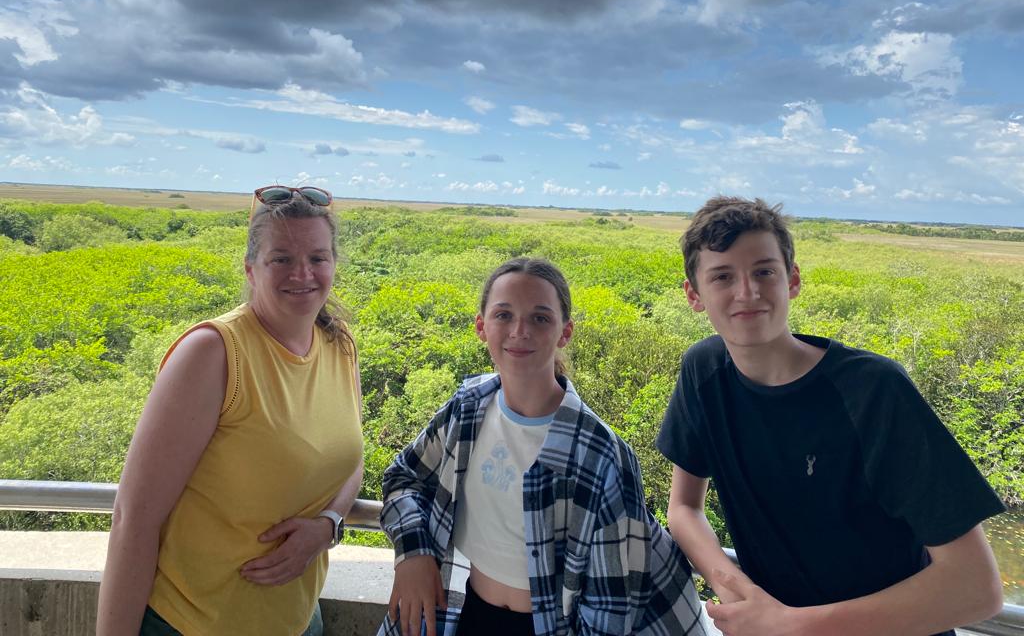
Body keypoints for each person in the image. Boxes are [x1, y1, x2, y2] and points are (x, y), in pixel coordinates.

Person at [656, 195, 1006, 636]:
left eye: (764, 271)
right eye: (722, 276)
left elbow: (975, 587)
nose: (747, 292)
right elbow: (684, 507)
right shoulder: (704, 372)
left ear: (792, 280)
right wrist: (735, 587)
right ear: (694, 295)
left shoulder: (873, 391)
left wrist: (791, 625)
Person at [377, 257, 711, 636]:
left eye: (540, 318)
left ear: (564, 332)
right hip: (467, 612)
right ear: (481, 327)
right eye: (503, 315)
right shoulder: (466, 410)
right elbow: (403, 478)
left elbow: (610, 606)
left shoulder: (599, 454)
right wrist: (414, 554)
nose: (520, 331)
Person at [97, 185, 364, 636]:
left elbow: (351, 459)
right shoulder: (214, 353)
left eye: (318, 257)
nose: (302, 272)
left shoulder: (339, 345)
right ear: (251, 268)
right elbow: (134, 519)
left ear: (333, 264)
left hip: (297, 620)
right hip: (191, 623)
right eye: (281, 258)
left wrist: (328, 525)